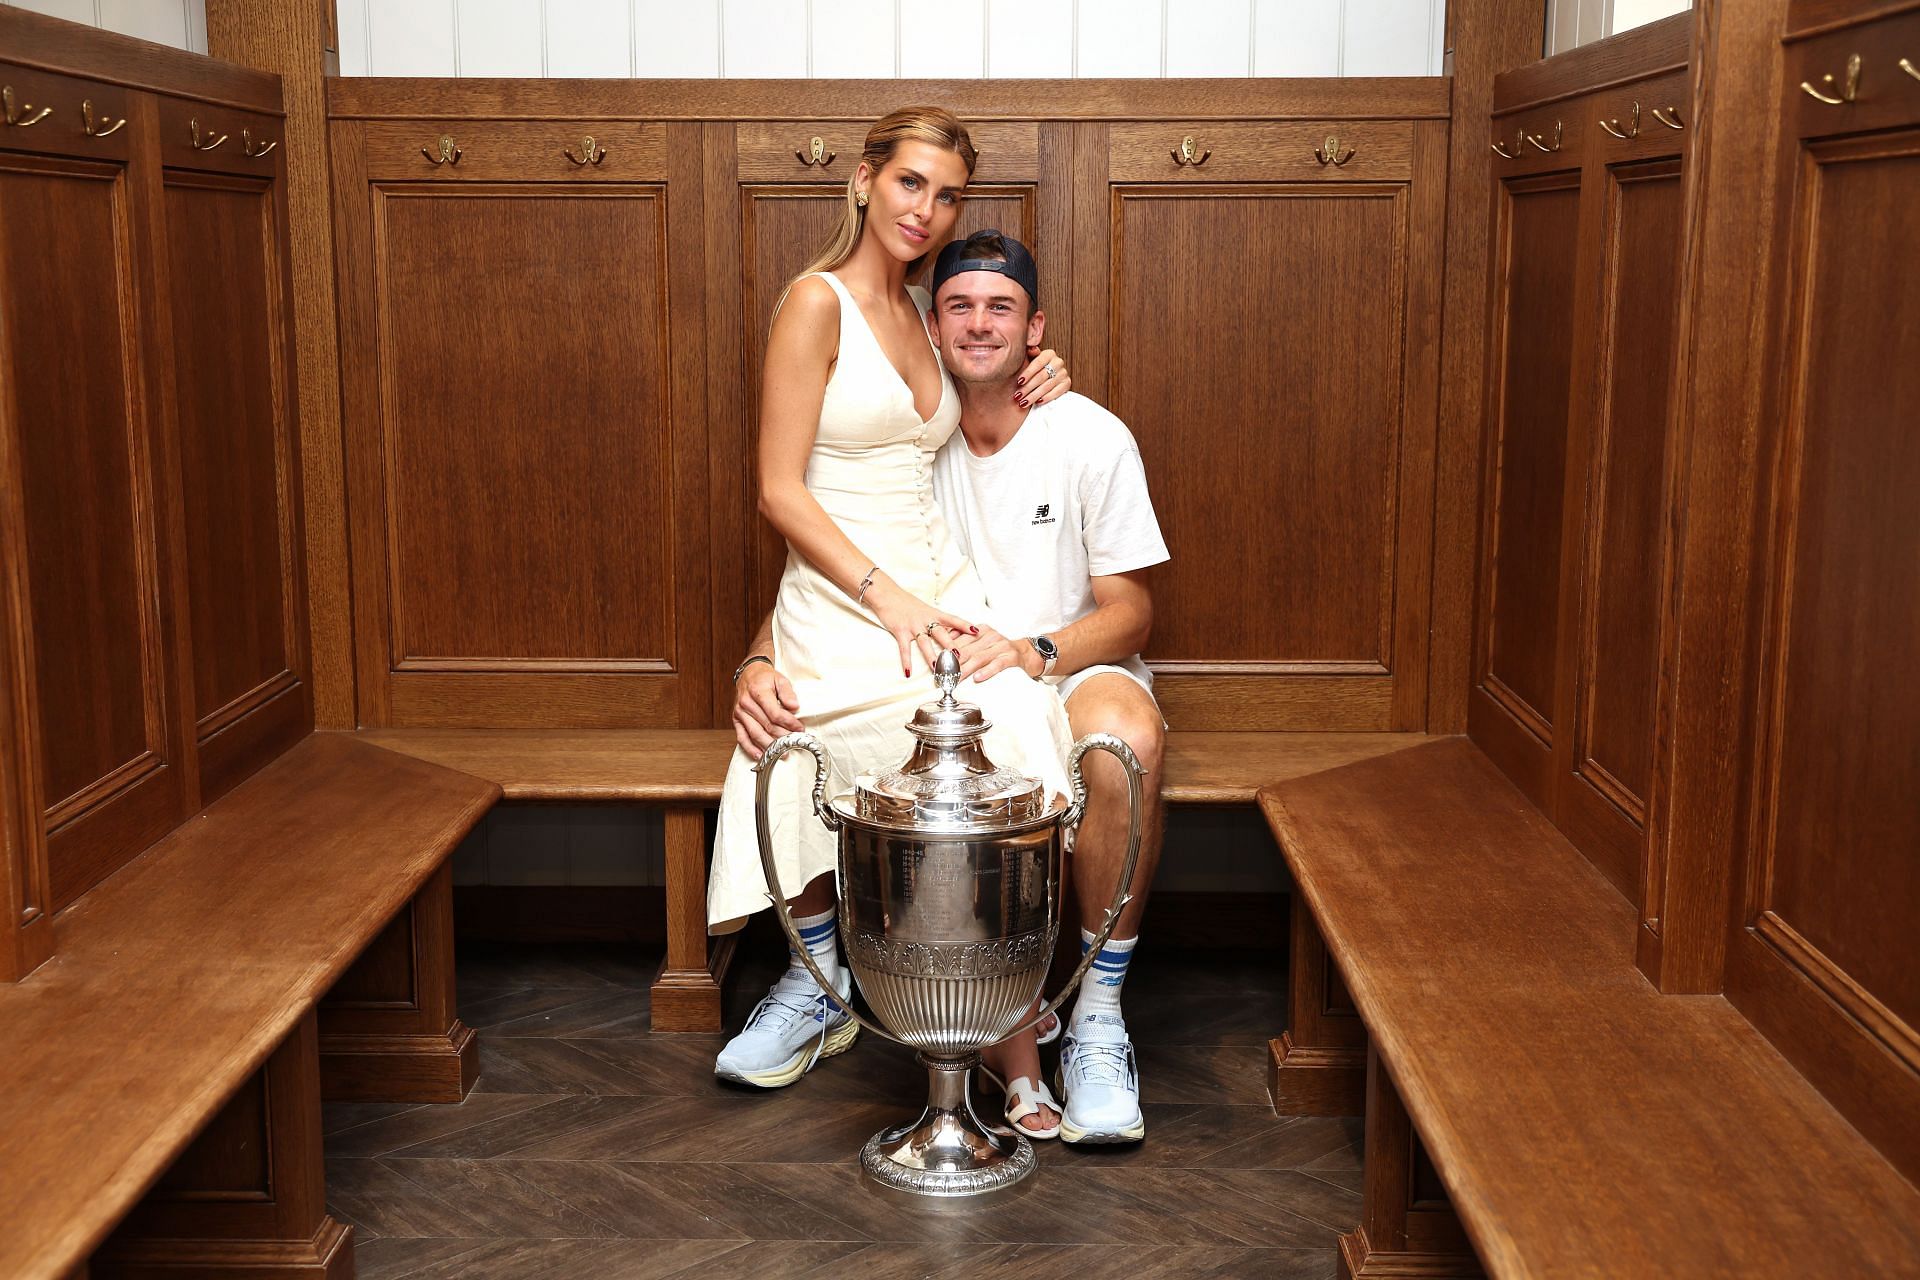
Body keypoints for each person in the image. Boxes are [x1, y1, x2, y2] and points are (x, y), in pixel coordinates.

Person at [732, 229, 1170, 1146]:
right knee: (792, 727)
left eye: (1000, 307)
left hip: (1062, 664)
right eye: (959, 306)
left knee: (1123, 742)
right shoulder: (904, 446)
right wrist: (757, 661)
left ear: (1035, 326)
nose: (979, 325)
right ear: (930, 328)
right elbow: (818, 571)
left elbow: (1131, 611)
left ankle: (1094, 1018)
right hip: (934, 678)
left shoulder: (1088, 433)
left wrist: (1034, 652)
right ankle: (834, 989)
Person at [705, 107, 1079, 1090]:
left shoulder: (925, 311)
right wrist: (882, 601)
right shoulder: (813, 303)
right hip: (846, 597)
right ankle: (817, 971)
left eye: (948, 193)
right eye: (911, 182)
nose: (927, 208)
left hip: (936, 585)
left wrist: (1043, 368)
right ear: (866, 180)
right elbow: (777, 488)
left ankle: (995, 992)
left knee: (1022, 716)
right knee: (791, 748)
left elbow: (991, 398)